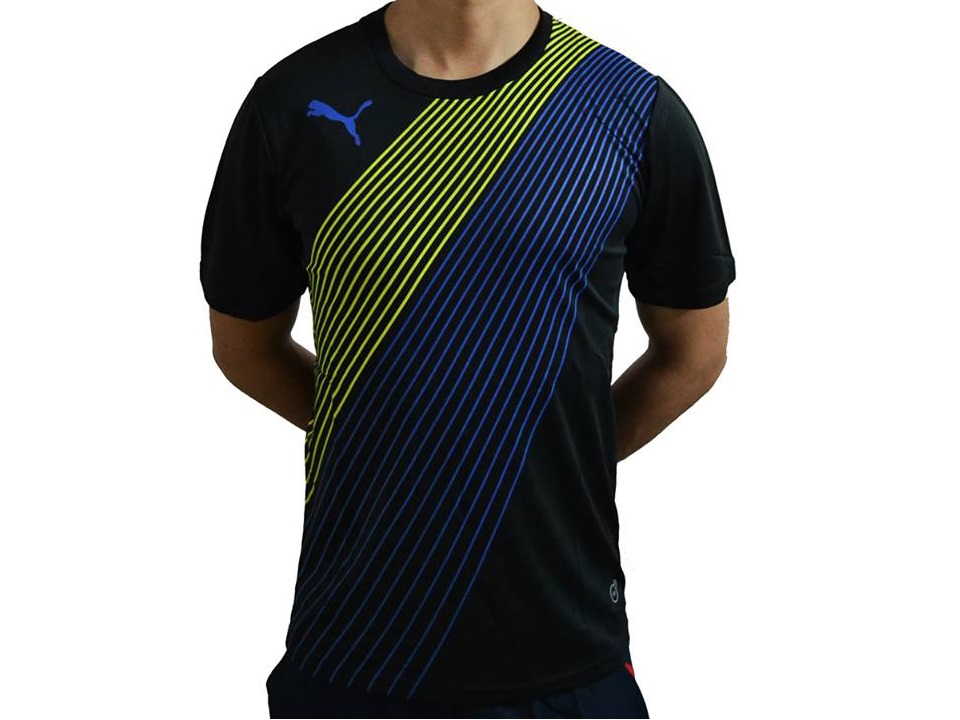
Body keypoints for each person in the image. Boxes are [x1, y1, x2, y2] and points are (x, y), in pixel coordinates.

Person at [199, 0, 735, 716]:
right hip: (355, 646)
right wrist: (387, 436)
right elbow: (245, 347)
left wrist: (544, 454)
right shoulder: (292, 103)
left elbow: (694, 352)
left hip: (566, 650)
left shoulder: (631, 109)